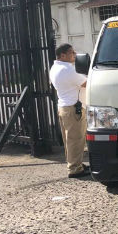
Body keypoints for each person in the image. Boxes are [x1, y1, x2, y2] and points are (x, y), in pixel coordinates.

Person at [49, 43, 89, 178]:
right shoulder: (68, 70)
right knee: (76, 140)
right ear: (62, 55)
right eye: (72, 52)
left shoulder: (55, 68)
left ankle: (74, 164)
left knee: (69, 140)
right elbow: (86, 83)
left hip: (65, 106)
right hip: (73, 108)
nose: (75, 54)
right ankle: (75, 169)